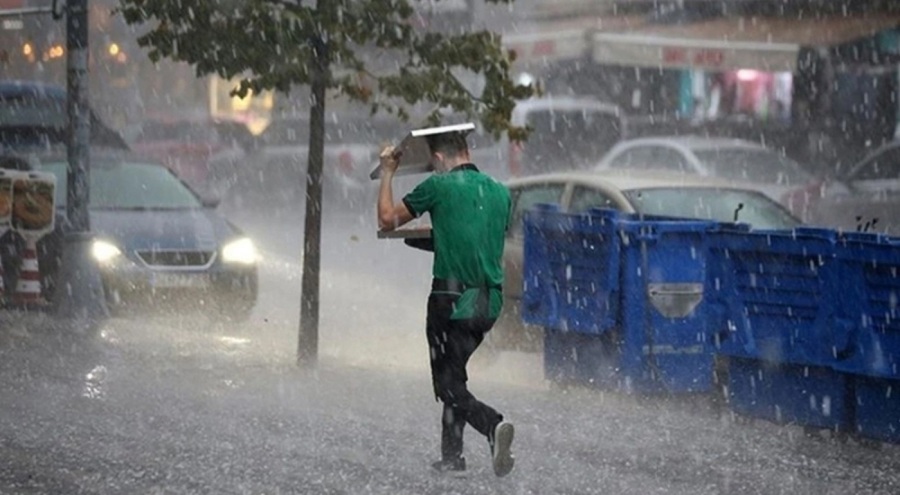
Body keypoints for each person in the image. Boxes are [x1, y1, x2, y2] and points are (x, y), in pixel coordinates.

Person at [376, 130, 515, 477]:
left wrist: (389, 172)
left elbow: (386, 219)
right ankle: (452, 457)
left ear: (438, 159)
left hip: (450, 300)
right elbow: (476, 239)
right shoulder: (500, 192)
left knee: (447, 384)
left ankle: (491, 424)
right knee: (455, 375)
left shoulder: (438, 187)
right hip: (489, 303)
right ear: (467, 150)